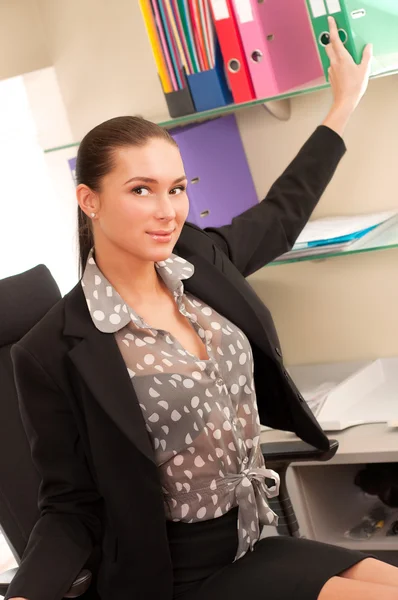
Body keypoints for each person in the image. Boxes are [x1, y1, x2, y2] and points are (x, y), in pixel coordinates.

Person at [7, 16, 398, 600]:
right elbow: (68, 506)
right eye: (140, 190)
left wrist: (343, 105)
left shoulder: (201, 262)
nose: (168, 209)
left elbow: (282, 214)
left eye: (177, 187)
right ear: (89, 199)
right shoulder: (53, 348)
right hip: (174, 573)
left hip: (252, 536)